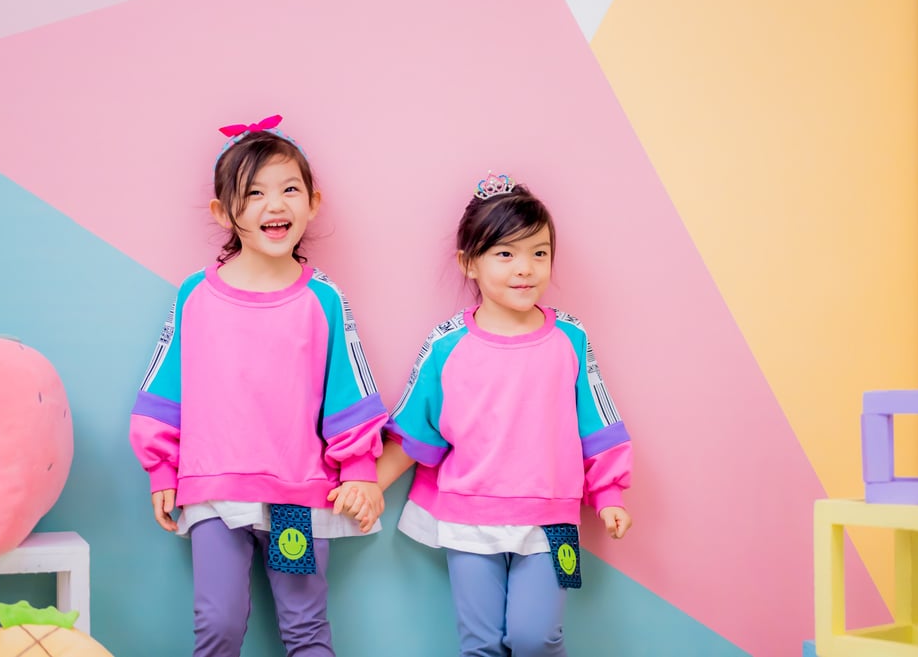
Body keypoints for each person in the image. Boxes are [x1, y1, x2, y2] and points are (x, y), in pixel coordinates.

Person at [337, 172, 633, 657]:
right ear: (469, 263)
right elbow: (416, 431)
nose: (526, 268)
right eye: (506, 254)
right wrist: (368, 481)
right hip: (469, 517)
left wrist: (610, 494)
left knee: (534, 638)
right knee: (481, 646)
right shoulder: (447, 344)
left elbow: (597, 422)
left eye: (539, 253)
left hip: (550, 519)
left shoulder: (570, 339)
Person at [129, 115, 386, 657]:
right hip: (213, 491)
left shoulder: (324, 300)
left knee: (306, 628)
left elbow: (349, 388)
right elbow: (163, 387)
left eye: (290, 189)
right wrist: (161, 467)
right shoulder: (195, 295)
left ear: (313, 201)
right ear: (224, 211)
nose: (275, 205)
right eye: (253, 193)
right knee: (217, 626)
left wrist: (361, 470)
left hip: (298, 491)